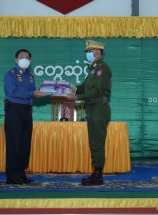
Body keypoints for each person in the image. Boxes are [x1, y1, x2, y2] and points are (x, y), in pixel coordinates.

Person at [67, 40, 112, 186]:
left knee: (97, 141)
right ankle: (95, 173)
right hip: (93, 108)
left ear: (97, 52)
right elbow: (84, 87)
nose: (87, 54)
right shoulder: (93, 69)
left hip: (99, 108)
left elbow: (97, 91)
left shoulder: (102, 69)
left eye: (89, 51)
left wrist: (77, 97)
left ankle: (98, 175)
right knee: (94, 141)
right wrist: (69, 88)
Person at [4, 49, 45, 185]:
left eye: (27, 58)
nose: (24, 59)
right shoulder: (10, 74)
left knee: (24, 144)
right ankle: (12, 176)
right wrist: (33, 93)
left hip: (27, 111)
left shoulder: (31, 76)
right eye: (21, 57)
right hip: (14, 111)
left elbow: (31, 92)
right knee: (14, 143)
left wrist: (42, 90)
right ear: (16, 60)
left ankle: (21, 173)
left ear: (31, 61)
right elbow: (14, 91)